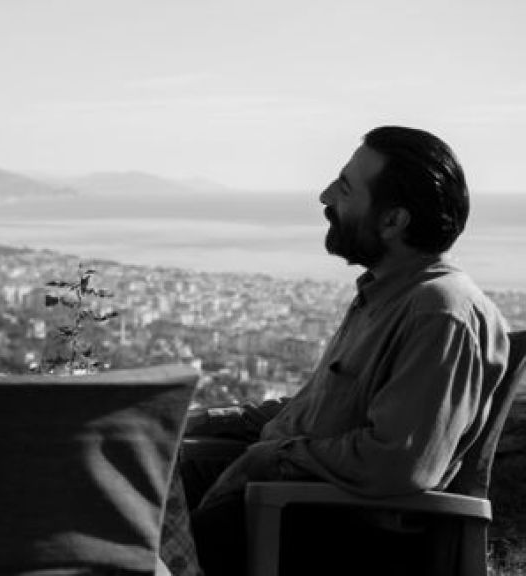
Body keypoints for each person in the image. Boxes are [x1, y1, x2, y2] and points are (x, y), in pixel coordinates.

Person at [183, 126, 510, 576]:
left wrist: (273, 459)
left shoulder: (439, 313)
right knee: (138, 474)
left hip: (336, 530)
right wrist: (204, 419)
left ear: (393, 222)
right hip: (299, 502)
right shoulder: (388, 296)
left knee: (134, 538)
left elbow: (398, 463)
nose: (325, 197)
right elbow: (320, 412)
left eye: (344, 188)